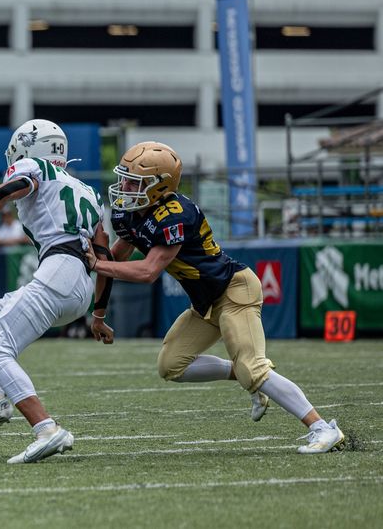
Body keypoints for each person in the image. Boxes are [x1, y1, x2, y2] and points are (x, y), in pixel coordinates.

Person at [88, 141, 345, 454]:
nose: (125, 186)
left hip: (234, 290)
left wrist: (96, 262)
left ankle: (322, 428)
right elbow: (115, 260)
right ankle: (242, 372)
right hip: (205, 301)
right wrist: (98, 308)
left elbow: (147, 272)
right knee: (171, 366)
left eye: (134, 181)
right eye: (125, 178)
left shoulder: (176, 214)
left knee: (255, 369)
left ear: (159, 186)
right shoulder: (128, 215)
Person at [0, 119, 114, 464]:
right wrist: (99, 314)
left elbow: (7, 191)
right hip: (79, 285)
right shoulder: (88, 191)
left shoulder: (36, 167)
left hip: (57, 272)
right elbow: (104, 253)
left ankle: (47, 429)